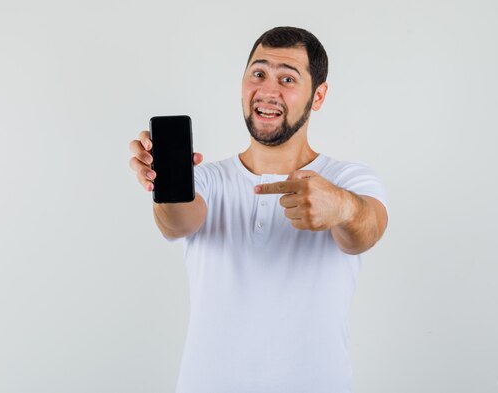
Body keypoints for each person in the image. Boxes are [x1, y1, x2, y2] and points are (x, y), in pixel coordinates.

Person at [128, 26, 388, 393]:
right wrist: (166, 184)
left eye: (287, 78)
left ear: (318, 96)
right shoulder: (206, 180)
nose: (268, 90)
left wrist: (342, 207)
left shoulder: (348, 178)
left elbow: (367, 229)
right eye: (258, 73)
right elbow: (177, 224)